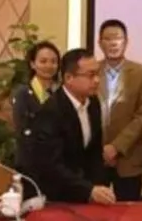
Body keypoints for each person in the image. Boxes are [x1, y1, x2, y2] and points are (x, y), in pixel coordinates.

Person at [22, 49, 115, 204]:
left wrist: (99, 186)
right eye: (91, 75)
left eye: (98, 74)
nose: (97, 80)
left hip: (85, 194)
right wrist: (89, 190)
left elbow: (94, 152)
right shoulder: (51, 111)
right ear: (68, 78)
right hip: (56, 196)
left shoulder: (93, 103)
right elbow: (51, 165)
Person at [96, 19, 142, 201]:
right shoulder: (91, 71)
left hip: (129, 157)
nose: (113, 43)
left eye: (118, 38)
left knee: (129, 211)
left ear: (126, 42)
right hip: (96, 156)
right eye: (108, 39)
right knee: (94, 210)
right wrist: (102, 149)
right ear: (99, 43)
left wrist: (116, 147)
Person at [12, 41, 60, 171]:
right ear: (32, 64)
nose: (49, 66)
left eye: (53, 61)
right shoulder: (22, 93)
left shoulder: (61, 92)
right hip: (31, 162)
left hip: (59, 164)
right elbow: (23, 131)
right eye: (43, 61)